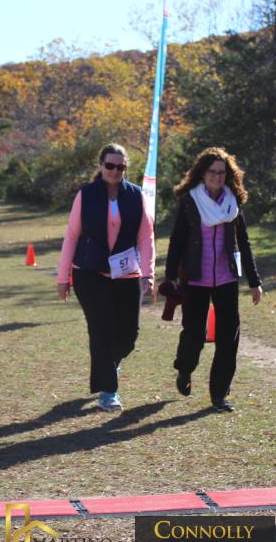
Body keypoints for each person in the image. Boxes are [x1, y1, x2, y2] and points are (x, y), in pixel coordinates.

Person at [163, 147, 263, 412]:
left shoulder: (233, 202)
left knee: (229, 338)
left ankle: (219, 395)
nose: (217, 177)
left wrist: (254, 281)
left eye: (222, 172)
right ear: (202, 173)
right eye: (213, 172)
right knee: (194, 335)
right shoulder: (190, 201)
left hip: (226, 278)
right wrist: (170, 276)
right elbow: (177, 240)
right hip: (195, 279)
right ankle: (185, 369)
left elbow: (244, 242)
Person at [57, 144, 155, 411]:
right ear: (101, 166)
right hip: (89, 273)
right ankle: (108, 391)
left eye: (120, 167)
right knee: (101, 329)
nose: (114, 171)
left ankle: (110, 364)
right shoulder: (86, 195)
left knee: (129, 335)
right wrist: (63, 277)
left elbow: (146, 237)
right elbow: (72, 236)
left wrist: (148, 273)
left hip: (126, 274)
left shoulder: (135, 195)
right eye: (110, 165)